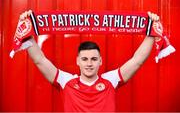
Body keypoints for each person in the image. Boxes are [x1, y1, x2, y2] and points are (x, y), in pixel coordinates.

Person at [20, 11, 160, 111]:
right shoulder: (65, 81)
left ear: (100, 61)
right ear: (77, 61)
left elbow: (138, 60)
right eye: (84, 59)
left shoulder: (110, 80)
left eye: (93, 59)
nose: (89, 63)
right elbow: (39, 60)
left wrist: (152, 30)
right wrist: (26, 29)